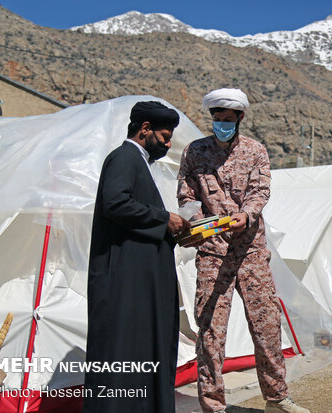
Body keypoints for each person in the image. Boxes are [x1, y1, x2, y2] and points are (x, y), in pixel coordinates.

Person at [177, 88, 310, 413]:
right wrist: (198, 221)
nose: (221, 124)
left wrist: (246, 214)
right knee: (210, 331)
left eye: (227, 120)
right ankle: (213, 405)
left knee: (266, 324)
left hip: (250, 251)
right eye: (216, 119)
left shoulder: (255, 151)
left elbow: (260, 188)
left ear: (240, 118)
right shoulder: (195, 152)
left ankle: (277, 398)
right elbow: (186, 192)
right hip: (212, 251)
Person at [84, 101, 189, 413]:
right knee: (121, 355)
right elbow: (115, 203)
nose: (168, 144)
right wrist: (164, 219)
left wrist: (175, 228)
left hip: (140, 284)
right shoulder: (124, 157)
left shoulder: (139, 162)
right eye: (165, 136)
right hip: (123, 284)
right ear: (145, 129)